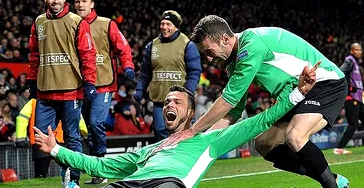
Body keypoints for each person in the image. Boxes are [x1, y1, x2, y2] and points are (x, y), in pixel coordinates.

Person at [34, 66, 317, 188]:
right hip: (130, 184)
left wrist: (297, 94)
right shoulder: (150, 150)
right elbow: (99, 166)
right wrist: (56, 149)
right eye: (167, 101)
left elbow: (260, 121)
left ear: (192, 113)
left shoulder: (210, 140)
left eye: (178, 102)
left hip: (168, 185)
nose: (170, 105)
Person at [160, 15, 349, 188]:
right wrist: (203, 140)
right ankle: (334, 180)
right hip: (296, 92)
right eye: (204, 55)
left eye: (209, 51)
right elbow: (233, 112)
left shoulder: (251, 46)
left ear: (225, 39)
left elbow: (229, 100)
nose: (208, 59)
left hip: (324, 83)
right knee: (264, 143)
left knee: (295, 136)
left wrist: (192, 131)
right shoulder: (233, 63)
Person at [27, 0, 97, 186]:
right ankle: (67, 168)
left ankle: (72, 180)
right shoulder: (39, 22)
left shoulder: (76, 21)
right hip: (45, 92)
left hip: (71, 91)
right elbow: (33, 54)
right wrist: (32, 80)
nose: (55, 1)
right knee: (41, 137)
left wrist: (90, 82)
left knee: (72, 137)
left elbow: (88, 54)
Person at [73, 0, 135, 185]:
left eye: (84, 1)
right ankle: (96, 170)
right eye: (77, 2)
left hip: (103, 85)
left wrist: (128, 66)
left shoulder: (107, 24)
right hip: (79, 85)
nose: (80, 5)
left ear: (92, 4)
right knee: (88, 129)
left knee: (96, 123)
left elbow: (123, 48)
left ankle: (101, 168)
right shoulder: (70, 24)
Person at [134, 10, 202, 141]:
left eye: (168, 24)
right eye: (162, 23)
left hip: (180, 101)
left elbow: (194, 72)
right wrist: (140, 90)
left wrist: (188, 92)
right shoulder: (152, 45)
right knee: (160, 131)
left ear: (176, 26)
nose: (164, 27)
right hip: (160, 100)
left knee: (182, 133)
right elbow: (145, 73)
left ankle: (185, 159)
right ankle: (165, 160)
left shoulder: (187, 45)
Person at [15, 98, 88, 178]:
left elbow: (22, 118)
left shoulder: (34, 102)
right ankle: (69, 180)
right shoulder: (68, 101)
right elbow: (77, 118)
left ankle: (43, 180)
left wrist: (20, 137)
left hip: (41, 140)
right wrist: (85, 134)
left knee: (41, 172)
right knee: (65, 165)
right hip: (59, 140)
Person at [334, 43, 364, 154]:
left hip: (358, 98)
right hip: (351, 98)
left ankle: (339, 147)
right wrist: (350, 88)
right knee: (353, 124)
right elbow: (341, 72)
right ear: (352, 51)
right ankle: (339, 148)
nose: (359, 52)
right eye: (356, 50)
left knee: (358, 123)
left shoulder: (356, 63)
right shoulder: (350, 61)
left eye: (360, 49)